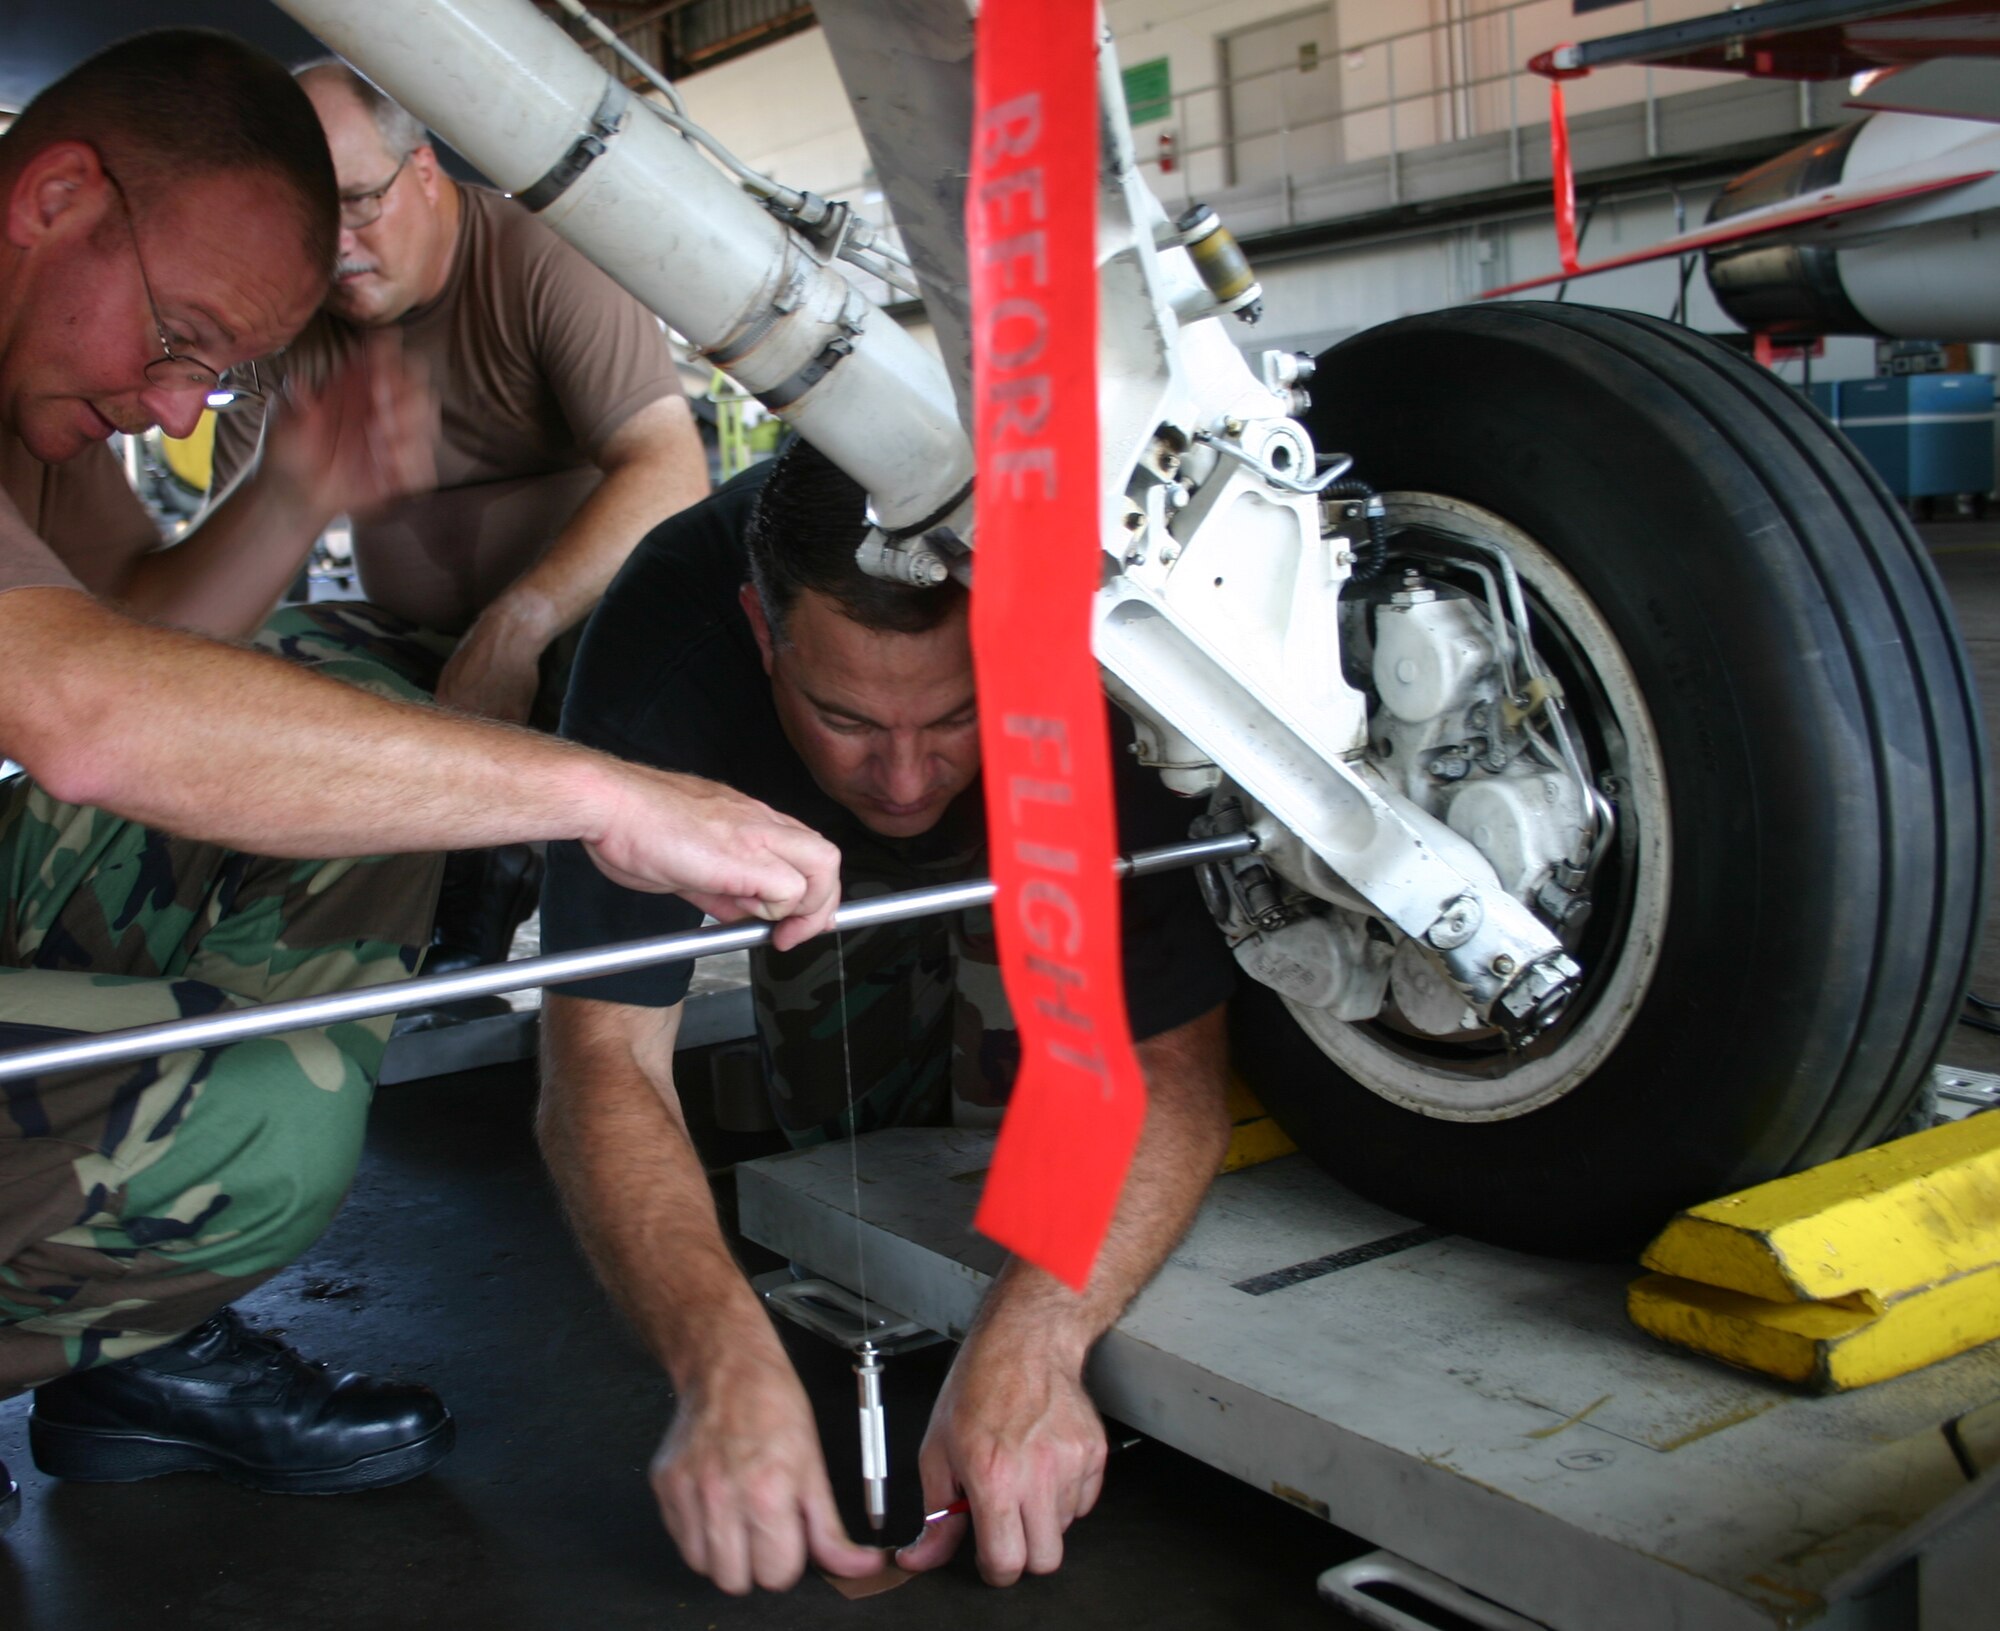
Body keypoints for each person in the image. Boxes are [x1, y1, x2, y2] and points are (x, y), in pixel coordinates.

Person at [0, 30, 838, 1536]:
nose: (183, 410)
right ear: (55, 198)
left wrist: (308, 491)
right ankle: (122, 1267)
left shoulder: (44, 389)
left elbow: (140, 638)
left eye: (217, 366)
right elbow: (89, 707)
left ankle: (138, 1336)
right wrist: (598, 793)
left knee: (323, 777)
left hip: (511, 661)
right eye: (179, 338)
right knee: (268, 1122)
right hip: (394, 684)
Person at [538, 442, 1237, 1594]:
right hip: (780, 843)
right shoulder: (660, 654)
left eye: (952, 714)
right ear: (763, 635)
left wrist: (1033, 1338)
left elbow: (1172, 1054)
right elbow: (601, 1056)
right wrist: (721, 1357)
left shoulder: (1106, 645)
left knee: (1017, 1134)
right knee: (850, 1146)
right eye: (847, 715)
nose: (906, 778)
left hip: (1035, 811)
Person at [212, 59, 711, 971]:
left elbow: (671, 470)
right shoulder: (279, 311)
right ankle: (269, 934)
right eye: (304, 222)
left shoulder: (539, 253)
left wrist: (515, 625)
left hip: (565, 635)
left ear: (426, 167)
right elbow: (220, 561)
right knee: (238, 663)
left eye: (358, 201)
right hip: (402, 639)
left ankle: (558, 937)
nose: (334, 248)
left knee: (631, 658)